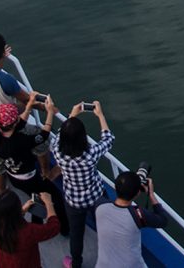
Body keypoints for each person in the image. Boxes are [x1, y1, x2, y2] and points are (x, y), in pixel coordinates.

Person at [0, 33, 49, 192]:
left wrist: (0, 57)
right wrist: (45, 108)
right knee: (41, 142)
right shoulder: (7, 80)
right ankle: (45, 172)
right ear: (2, 54)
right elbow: (28, 100)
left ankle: (2, 195)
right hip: (9, 130)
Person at [0, 98, 69, 235]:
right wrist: (50, 112)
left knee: (36, 196)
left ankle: (36, 221)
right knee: (56, 197)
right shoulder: (21, 141)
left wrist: (28, 107)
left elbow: (17, 124)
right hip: (30, 179)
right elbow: (43, 136)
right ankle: (64, 229)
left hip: (14, 176)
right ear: (13, 123)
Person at [52, 101, 114, 268]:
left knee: (76, 235)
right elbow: (108, 139)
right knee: (105, 229)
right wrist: (100, 115)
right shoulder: (90, 154)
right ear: (83, 137)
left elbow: (60, 135)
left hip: (73, 200)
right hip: (96, 197)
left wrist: (72, 114)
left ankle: (76, 263)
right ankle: (109, 260)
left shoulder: (57, 152)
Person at [95, 172, 168, 268]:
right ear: (138, 193)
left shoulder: (100, 205)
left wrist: (130, 182)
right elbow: (163, 220)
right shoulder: (138, 214)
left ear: (116, 188)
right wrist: (151, 195)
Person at [0, 189, 60, 268]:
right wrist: (49, 203)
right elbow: (54, 227)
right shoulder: (27, 232)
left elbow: (7, 219)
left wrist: (22, 211)